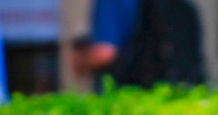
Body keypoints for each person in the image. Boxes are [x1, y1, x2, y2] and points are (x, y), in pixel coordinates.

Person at [71, 0, 204, 88]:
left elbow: (106, 53)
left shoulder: (110, 3)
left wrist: (81, 60)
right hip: (170, 91)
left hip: (128, 98)